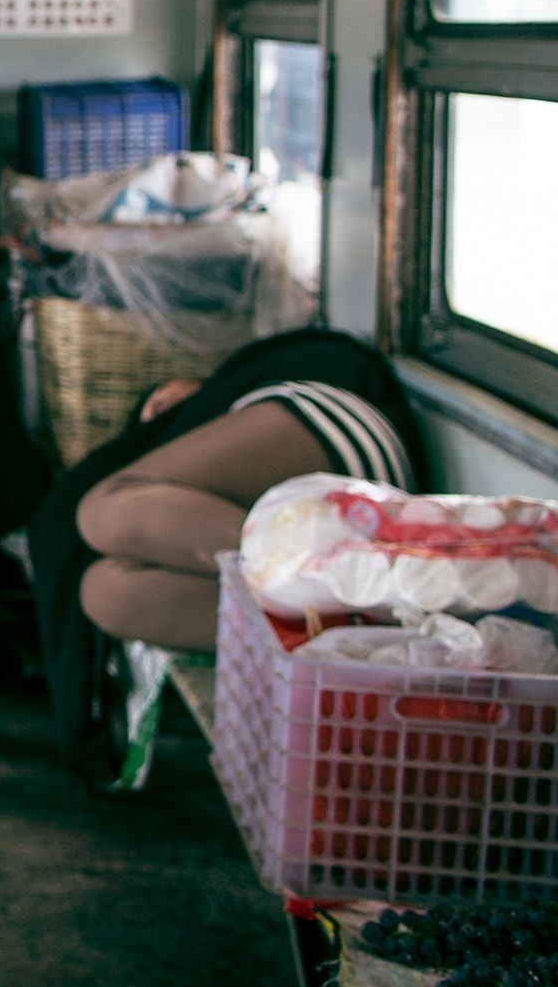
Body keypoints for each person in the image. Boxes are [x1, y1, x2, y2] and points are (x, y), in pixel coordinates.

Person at [24, 326, 422, 785]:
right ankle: (343, 621)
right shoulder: (186, 477)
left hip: (349, 449)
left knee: (103, 508)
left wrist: (204, 391)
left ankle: (359, 588)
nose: (159, 408)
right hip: (293, 521)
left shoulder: (265, 384)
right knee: (104, 592)